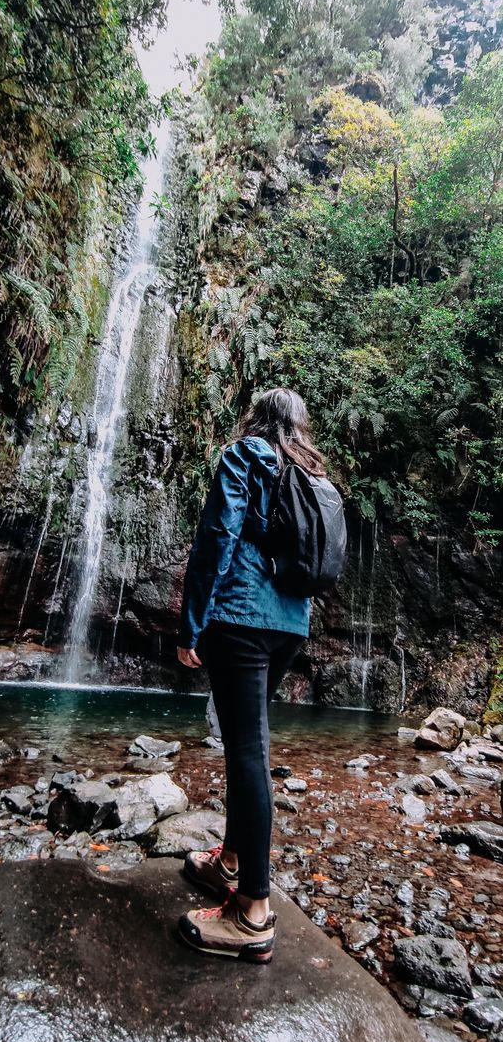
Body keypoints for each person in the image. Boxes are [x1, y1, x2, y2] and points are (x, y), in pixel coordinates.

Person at [176, 386, 327, 964]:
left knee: (246, 750)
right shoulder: (310, 471)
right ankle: (232, 859)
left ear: (256, 417)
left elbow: (217, 536)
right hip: (291, 624)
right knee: (248, 739)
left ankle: (253, 912)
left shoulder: (246, 454)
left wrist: (193, 623)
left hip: (240, 617)